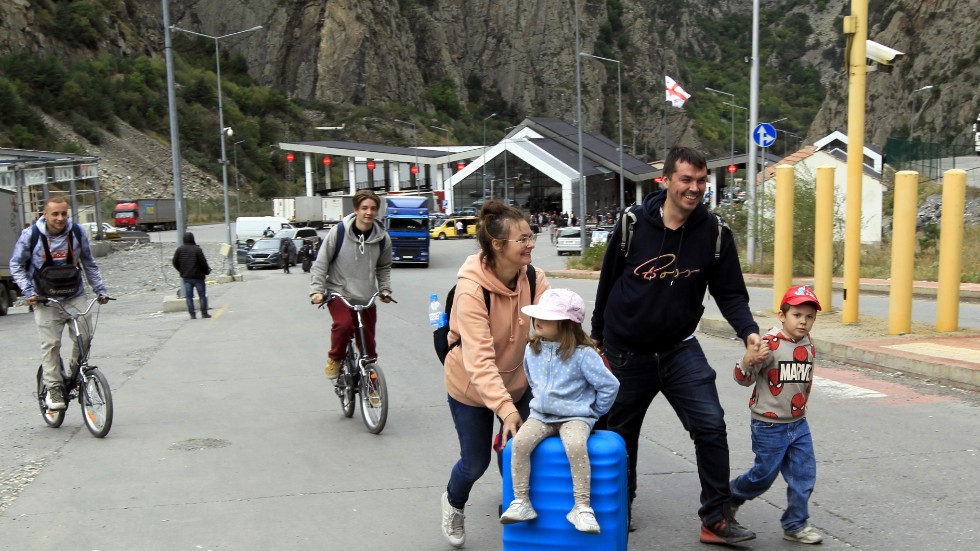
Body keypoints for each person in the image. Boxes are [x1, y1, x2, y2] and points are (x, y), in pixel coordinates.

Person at [590, 146, 765, 544]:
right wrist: (597, 338)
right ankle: (620, 508)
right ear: (665, 180)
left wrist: (748, 332)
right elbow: (608, 282)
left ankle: (716, 518)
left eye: (701, 181)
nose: (695, 188)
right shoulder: (633, 223)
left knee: (710, 425)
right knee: (620, 436)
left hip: (679, 348)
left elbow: (731, 294)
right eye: (686, 179)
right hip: (625, 350)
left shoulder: (715, 234)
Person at [440, 200, 549, 549]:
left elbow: (555, 324)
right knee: (475, 463)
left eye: (531, 236)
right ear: (499, 246)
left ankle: (517, 505)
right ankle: (453, 503)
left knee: (519, 450)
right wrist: (505, 410)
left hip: (517, 382)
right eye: (523, 239)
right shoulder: (471, 290)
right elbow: (480, 362)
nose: (531, 243)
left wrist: (581, 346)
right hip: (470, 387)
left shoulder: (533, 276)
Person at [499, 288, 620, 534]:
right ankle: (521, 501)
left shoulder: (583, 354)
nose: (538, 321)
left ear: (565, 324)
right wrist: (542, 403)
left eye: (547, 317)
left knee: (575, 446)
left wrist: (592, 413)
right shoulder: (532, 349)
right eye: (538, 315)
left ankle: (582, 507)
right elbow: (534, 382)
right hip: (541, 416)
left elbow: (609, 385)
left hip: (575, 416)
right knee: (519, 444)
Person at [730, 285, 823, 545]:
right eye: (797, 315)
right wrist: (748, 360)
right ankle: (729, 496)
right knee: (763, 476)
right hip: (768, 425)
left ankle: (795, 524)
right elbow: (742, 379)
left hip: (798, 424)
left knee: (804, 476)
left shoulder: (809, 344)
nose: (803, 321)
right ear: (782, 316)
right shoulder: (768, 343)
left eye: (809, 316)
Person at [9, 196, 109, 411]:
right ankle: (54, 386)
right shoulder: (31, 235)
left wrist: (100, 290)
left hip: (75, 295)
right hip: (45, 298)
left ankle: (76, 373)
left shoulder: (77, 233)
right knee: (51, 345)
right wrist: (28, 291)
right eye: (55, 213)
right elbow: (16, 265)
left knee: (85, 336)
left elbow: (89, 263)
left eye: (64, 213)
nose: (60, 218)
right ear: (44, 214)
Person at [309, 190, 393, 379]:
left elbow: (384, 267)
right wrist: (316, 291)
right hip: (339, 292)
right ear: (356, 209)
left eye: (373, 208)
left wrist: (385, 289)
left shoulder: (382, 239)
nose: (368, 212)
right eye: (364, 208)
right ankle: (335, 359)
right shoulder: (338, 232)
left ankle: (372, 385)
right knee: (344, 325)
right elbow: (321, 263)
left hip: (366, 296)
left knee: (369, 346)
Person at [171, 232, 211, 319]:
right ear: (193, 239)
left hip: (186, 277)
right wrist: (207, 271)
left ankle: (192, 314)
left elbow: (174, 262)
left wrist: (181, 270)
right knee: (202, 295)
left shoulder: (180, 250)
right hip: (198, 276)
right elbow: (203, 263)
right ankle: (204, 313)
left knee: (189, 296)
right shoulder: (197, 249)